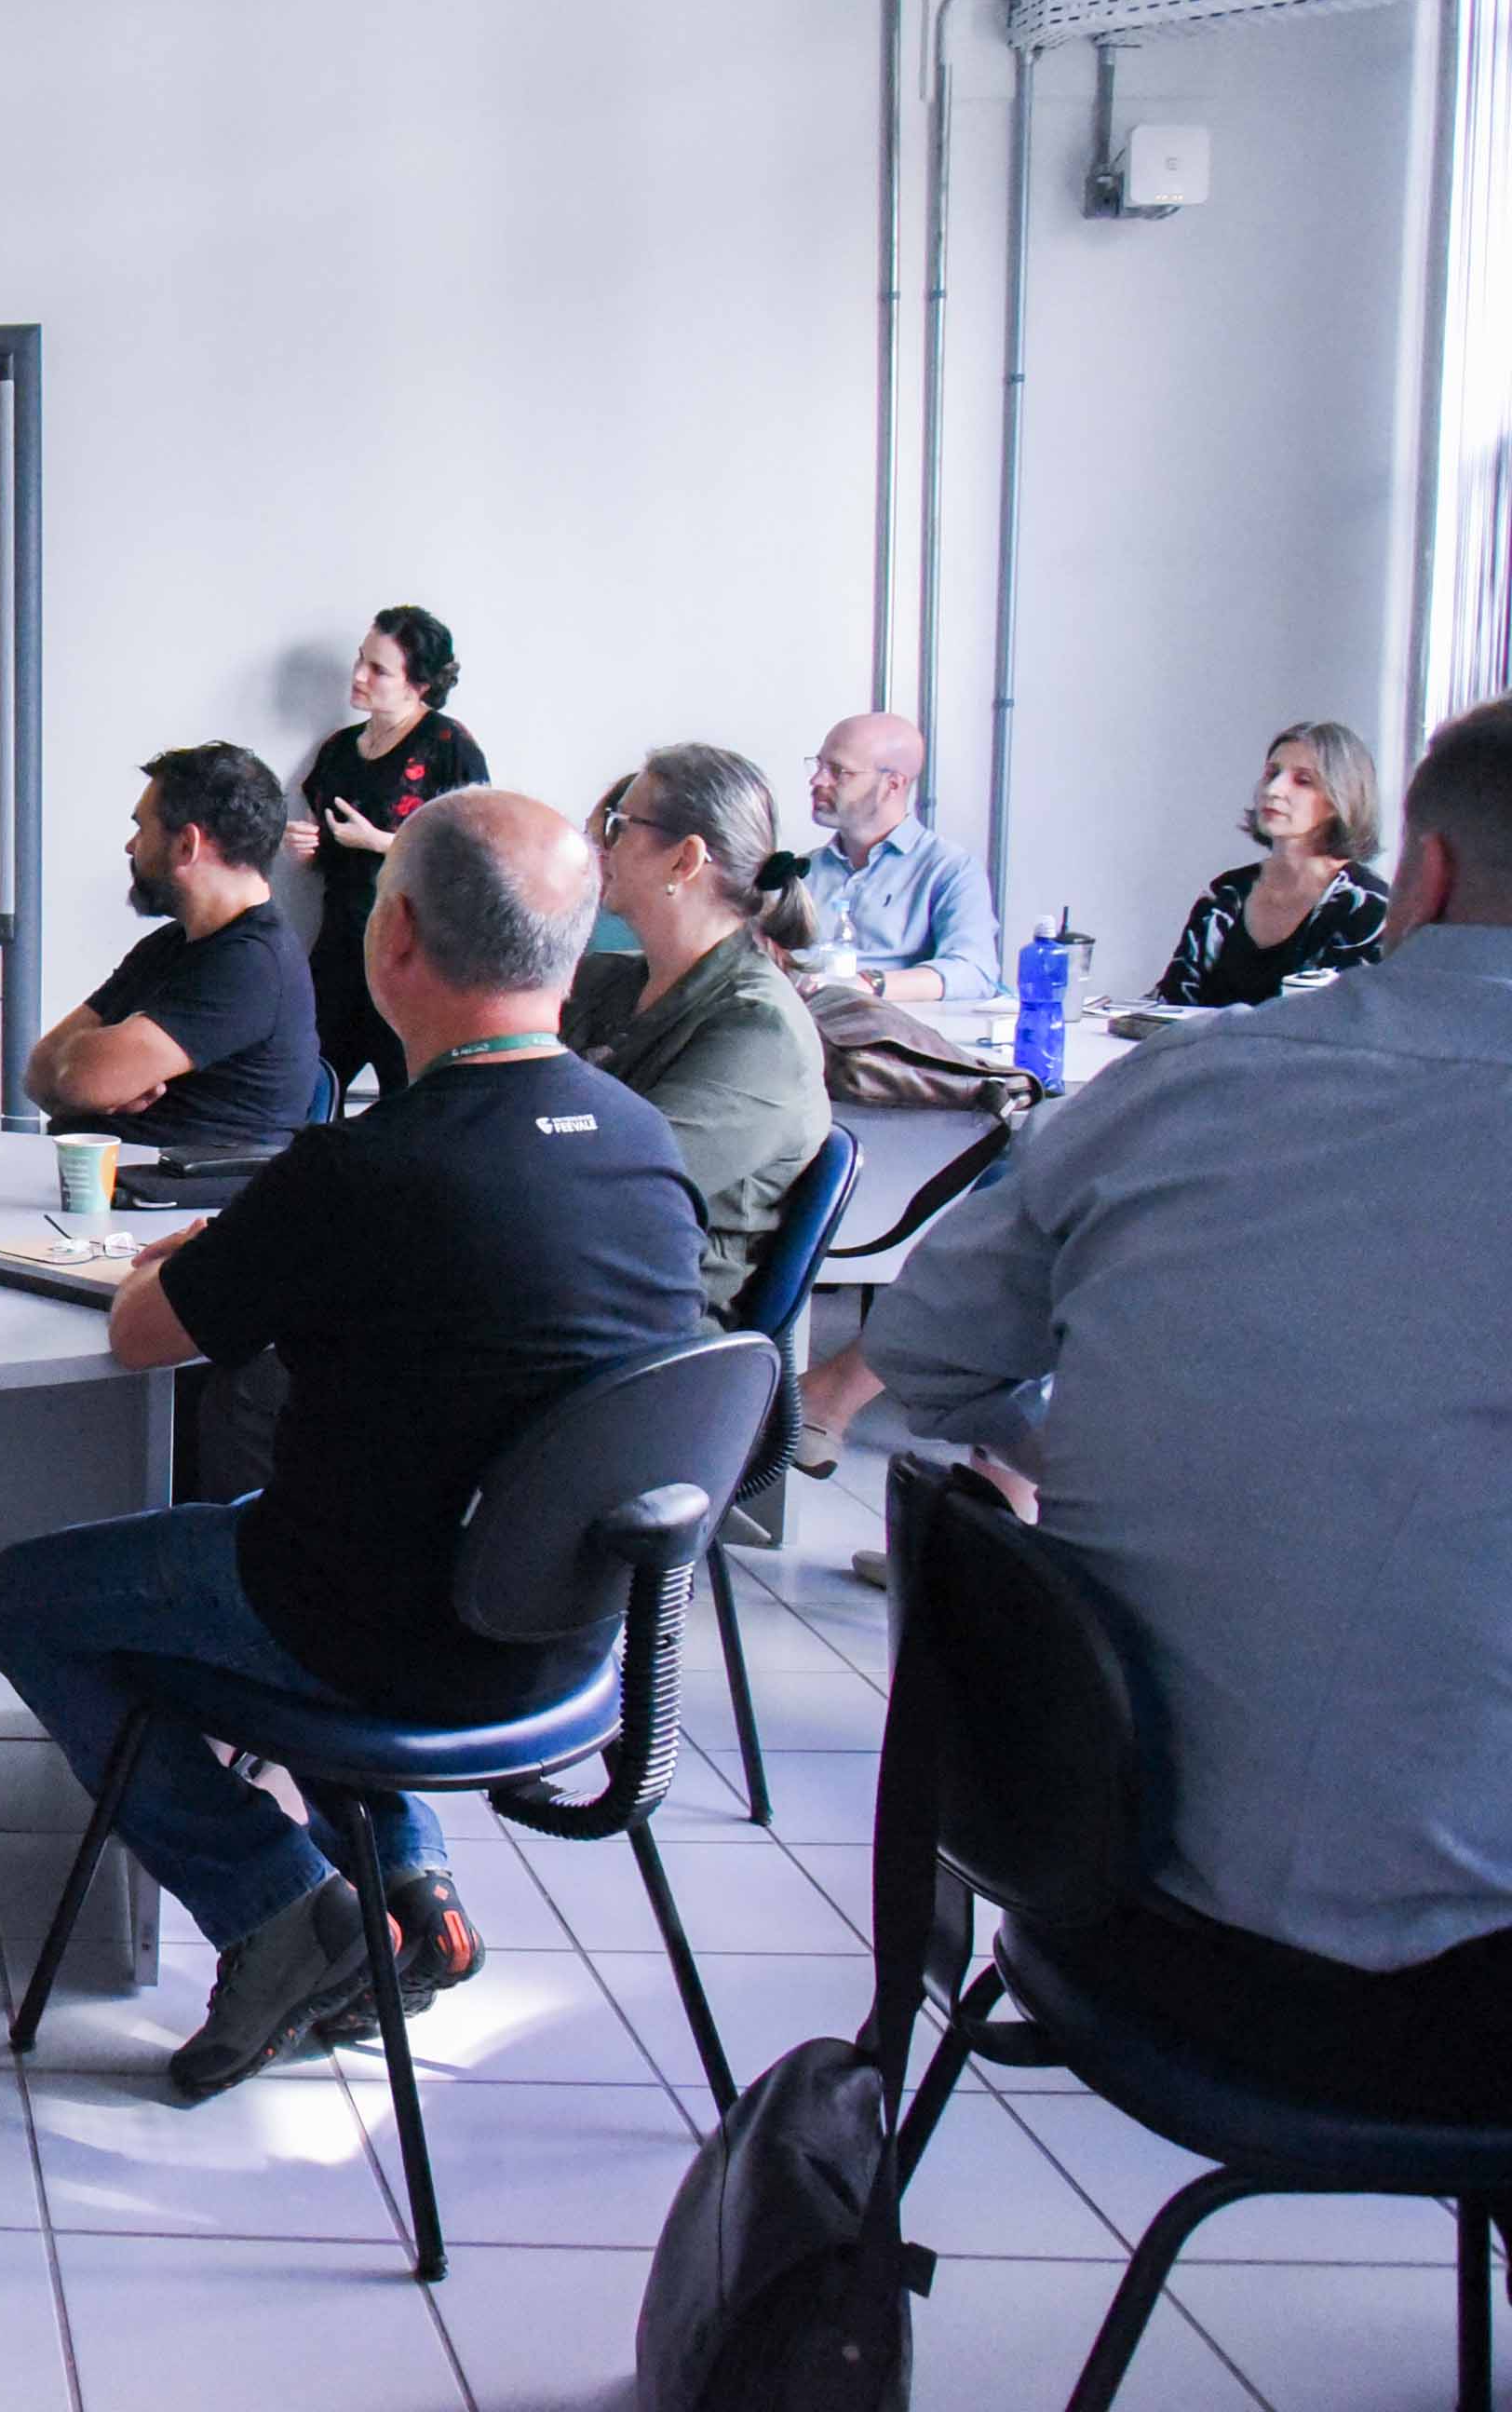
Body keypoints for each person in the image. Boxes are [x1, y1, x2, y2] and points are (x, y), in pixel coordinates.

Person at [0, 791, 705, 2100]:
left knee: (26, 1596)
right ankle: (416, 1893)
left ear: (396, 938)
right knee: (347, 1528)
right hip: (570, 1636)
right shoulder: (647, 1148)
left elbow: (144, 1335)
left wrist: (208, 1249)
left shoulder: (361, 1173)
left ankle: (280, 1912)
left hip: (373, 1630)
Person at [857, 699, 1512, 2115]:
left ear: (1431, 877)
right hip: (1431, 1990)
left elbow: (926, 1345)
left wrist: (1121, 1435)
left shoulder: (1179, 1087)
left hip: (1093, 1883)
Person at [566, 746, 831, 1319]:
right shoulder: (603, 980)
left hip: (648, 1325)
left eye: (619, 827)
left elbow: (615, 1188)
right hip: (577, 1276)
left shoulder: (762, 1031)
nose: (600, 848)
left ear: (685, 860)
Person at [27, 742, 321, 1151]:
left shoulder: (253, 964)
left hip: (176, 1206)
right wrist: (95, 1078)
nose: (131, 846)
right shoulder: (168, 945)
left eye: (142, 828)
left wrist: (92, 1076)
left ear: (187, 845)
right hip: (110, 1186)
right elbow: (40, 1072)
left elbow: (80, 1078)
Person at [278, 606, 488, 1100]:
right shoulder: (339, 748)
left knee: (409, 1104)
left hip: (413, 959)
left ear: (419, 684)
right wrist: (305, 848)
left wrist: (379, 843)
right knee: (303, 1095)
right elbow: (328, 854)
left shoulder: (447, 744)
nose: (358, 676)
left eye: (378, 669)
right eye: (360, 660)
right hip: (340, 951)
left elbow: (476, 855)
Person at [1152, 718, 1393, 1006]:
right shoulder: (1227, 892)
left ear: (1340, 799)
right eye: (1271, 774)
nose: (1274, 789)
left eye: (1303, 781)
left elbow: (1344, 1026)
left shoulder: (1367, 904)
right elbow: (1172, 1003)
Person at [799, 711, 996, 1002]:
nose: (817, 780)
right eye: (818, 765)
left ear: (892, 784)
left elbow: (974, 972)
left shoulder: (949, 869)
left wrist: (867, 984)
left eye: (838, 771)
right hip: (804, 1032)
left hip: (889, 1034)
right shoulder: (801, 872)